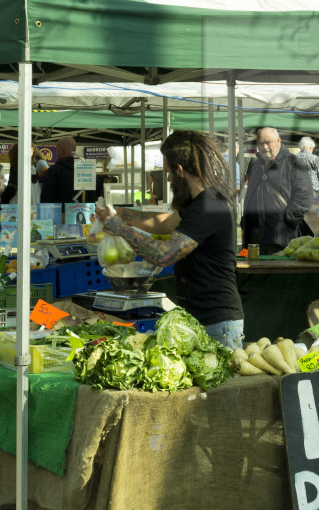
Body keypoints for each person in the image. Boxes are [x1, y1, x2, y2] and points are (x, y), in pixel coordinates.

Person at [95, 130, 243, 349]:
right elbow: (163, 223)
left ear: (180, 170)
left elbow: (164, 254)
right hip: (200, 318)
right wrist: (124, 215)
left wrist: (120, 229)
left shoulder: (208, 207)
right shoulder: (198, 202)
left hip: (217, 324)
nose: (169, 178)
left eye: (168, 172)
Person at [241, 127, 314, 255]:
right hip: (255, 238)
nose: (264, 147)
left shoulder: (294, 162)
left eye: (268, 142)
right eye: (260, 143)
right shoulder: (256, 165)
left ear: (278, 140)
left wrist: (286, 221)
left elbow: (304, 197)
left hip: (280, 238)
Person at [39, 136, 78, 207]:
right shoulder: (83, 170)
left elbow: (46, 199)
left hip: (58, 215)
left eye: (57, 149)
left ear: (61, 151)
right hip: (82, 213)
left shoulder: (54, 171)